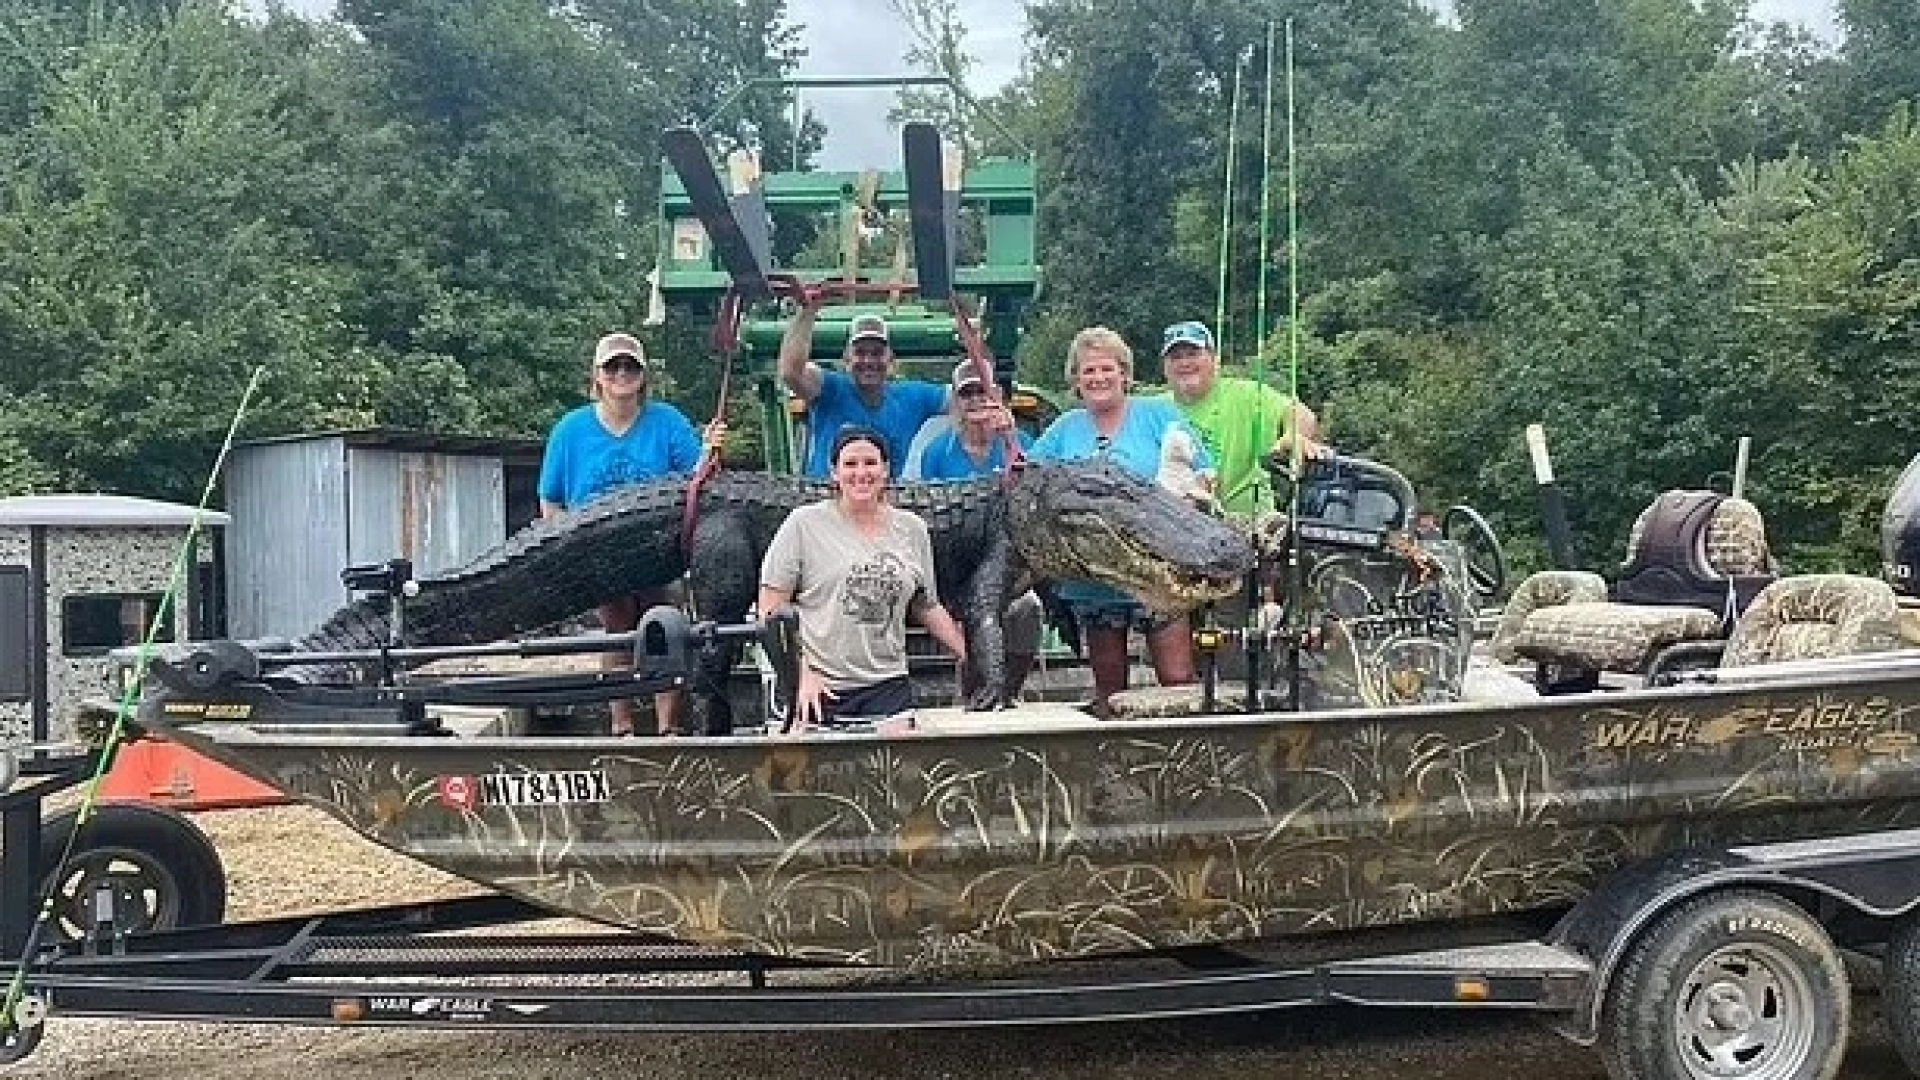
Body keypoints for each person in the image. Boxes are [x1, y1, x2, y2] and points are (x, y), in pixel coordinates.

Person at [538, 332, 725, 736]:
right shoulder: (569, 431)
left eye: (630, 366)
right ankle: (620, 723)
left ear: (642, 375)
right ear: (598, 376)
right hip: (599, 549)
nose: (622, 373)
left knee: (666, 628)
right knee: (617, 633)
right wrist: (565, 553)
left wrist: (709, 451)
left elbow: (697, 481)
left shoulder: (668, 422)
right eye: (613, 366)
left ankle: (667, 728)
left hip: (658, 548)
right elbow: (551, 500)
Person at [1028, 326, 1215, 716]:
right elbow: (1028, 476)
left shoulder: (1158, 414)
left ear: (1124, 374)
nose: (1098, 378)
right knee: (1110, 690)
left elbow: (1203, 473)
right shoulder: (1064, 429)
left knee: (1178, 677)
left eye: (1106, 369)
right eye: (1088, 371)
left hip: (1159, 575)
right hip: (1097, 580)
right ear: (1076, 380)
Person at [758, 426, 969, 728]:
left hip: (887, 682)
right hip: (819, 684)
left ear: (886, 471)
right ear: (834, 473)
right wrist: (800, 674)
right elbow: (769, 607)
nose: (861, 473)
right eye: (850, 464)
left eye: (870, 463)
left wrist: (968, 652)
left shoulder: (912, 529)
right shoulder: (803, 524)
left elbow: (925, 604)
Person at [905, 361, 1042, 703]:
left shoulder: (1021, 442)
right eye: (967, 392)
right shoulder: (938, 450)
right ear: (956, 401)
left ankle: (1010, 688)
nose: (977, 399)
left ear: (998, 395)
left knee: (1027, 608)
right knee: (972, 610)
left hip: (1002, 557)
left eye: (984, 390)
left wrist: (1012, 442)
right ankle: (974, 693)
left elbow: (1035, 501)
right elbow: (929, 511)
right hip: (953, 559)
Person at [1158, 319, 1326, 515]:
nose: (1185, 363)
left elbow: (1298, 411)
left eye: (1193, 354)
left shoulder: (1246, 394)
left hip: (1250, 528)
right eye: (1176, 357)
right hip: (1172, 526)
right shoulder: (1152, 410)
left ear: (1214, 359)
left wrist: (1295, 434)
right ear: (1165, 367)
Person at [778, 291, 948, 478]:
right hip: (827, 495)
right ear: (846, 361)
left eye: (877, 353)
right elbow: (791, 372)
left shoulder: (913, 397)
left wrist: (971, 335)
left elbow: (969, 397)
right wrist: (808, 311)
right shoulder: (830, 389)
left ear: (891, 362)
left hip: (881, 497)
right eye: (860, 353)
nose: (868, 361)